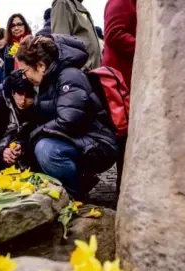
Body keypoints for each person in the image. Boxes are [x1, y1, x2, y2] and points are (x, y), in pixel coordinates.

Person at [16, 35, 118, 200]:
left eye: (24, 71)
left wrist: (36, 134)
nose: (24, 76)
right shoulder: (48, 80)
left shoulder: (69, 76)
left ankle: (75, 194)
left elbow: (69, 120)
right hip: (80, 140)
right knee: (35, 146)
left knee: (46, 150)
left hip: (98, 143)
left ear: (41, 65)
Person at [103, 0, 137, 193]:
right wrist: (144, 48)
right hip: (120, 81)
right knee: (124, 134)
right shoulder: (121, 2)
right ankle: (124, 189)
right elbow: (114, 34)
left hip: (127, 79)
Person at [51, 0, 101, 70]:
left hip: (92, 72)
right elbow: (61, 45)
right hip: (81, 72)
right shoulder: (63, 3)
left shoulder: (77, 6)